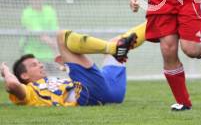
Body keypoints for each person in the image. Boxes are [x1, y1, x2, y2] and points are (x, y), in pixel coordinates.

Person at [1, 27, 139, 107]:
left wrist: (65, 66)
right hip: (89, 94)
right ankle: (111, 48)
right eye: (34, 65)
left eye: (39, 62)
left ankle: (153, 24)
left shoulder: (50, 80)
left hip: (113, 94)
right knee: (61, 36)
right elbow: (13, 84)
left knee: (117, 41)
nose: (41, 65)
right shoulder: (29, 91)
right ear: (24, 75)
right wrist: (5, 71)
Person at [20, 0, 59, 66]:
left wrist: (57, 53)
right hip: (32, 57)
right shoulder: (27, 13)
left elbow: (55, 32)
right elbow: (40, 35)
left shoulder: (50, 11)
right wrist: (55, 46)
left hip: (50, 57)